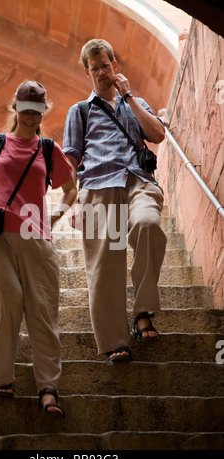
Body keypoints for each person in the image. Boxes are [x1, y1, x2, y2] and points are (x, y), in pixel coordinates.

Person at [0, 80, 77, 416]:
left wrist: (54, 217)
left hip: (35, 236)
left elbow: (70, 189)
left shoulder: (49, 149)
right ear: (15, 108)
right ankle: (3, 378)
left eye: (35, 112)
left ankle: (49, 388)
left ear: (42, 113)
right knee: (6, 302)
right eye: (24, 109)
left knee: (41, 308)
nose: (29, 116)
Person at [63, 39, 167, 362]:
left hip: (137, 179)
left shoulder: (134, 102)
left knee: (148, 223)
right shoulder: (79, 112)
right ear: (87, 72)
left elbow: (158, 134)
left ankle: (142, 311)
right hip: (96, 186)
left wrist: (130, 97)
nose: (101, 73)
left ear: (114, 66)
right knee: (104, 265)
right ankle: (115, 342)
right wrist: (74, 200)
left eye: (105, 66)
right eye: (94, 69)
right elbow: (69, 161)